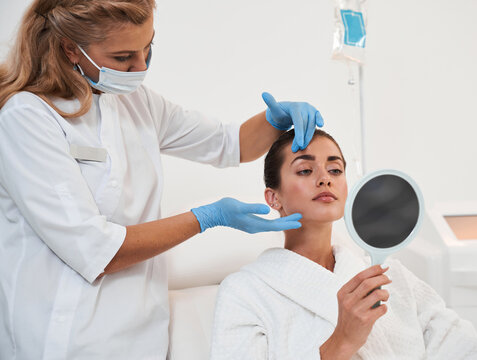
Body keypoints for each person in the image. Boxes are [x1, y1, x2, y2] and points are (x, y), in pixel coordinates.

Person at [0, 1, 325, 359]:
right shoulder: (27, 119)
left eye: (148, 48)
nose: (140, 66)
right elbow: (96, 250)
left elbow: (227, 143)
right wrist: (206, 218)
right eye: (123, 57)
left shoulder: (136, 103)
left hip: (142, 339)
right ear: (71, 48)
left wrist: (273, 121)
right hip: (62, 339)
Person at [210, 129, 477, 359]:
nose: (325, 178)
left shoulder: (390, 275)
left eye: (335, 170)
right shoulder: (245, 292)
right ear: (273, 198)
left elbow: (459, 345)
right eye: (305, 170)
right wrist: (341, 342)